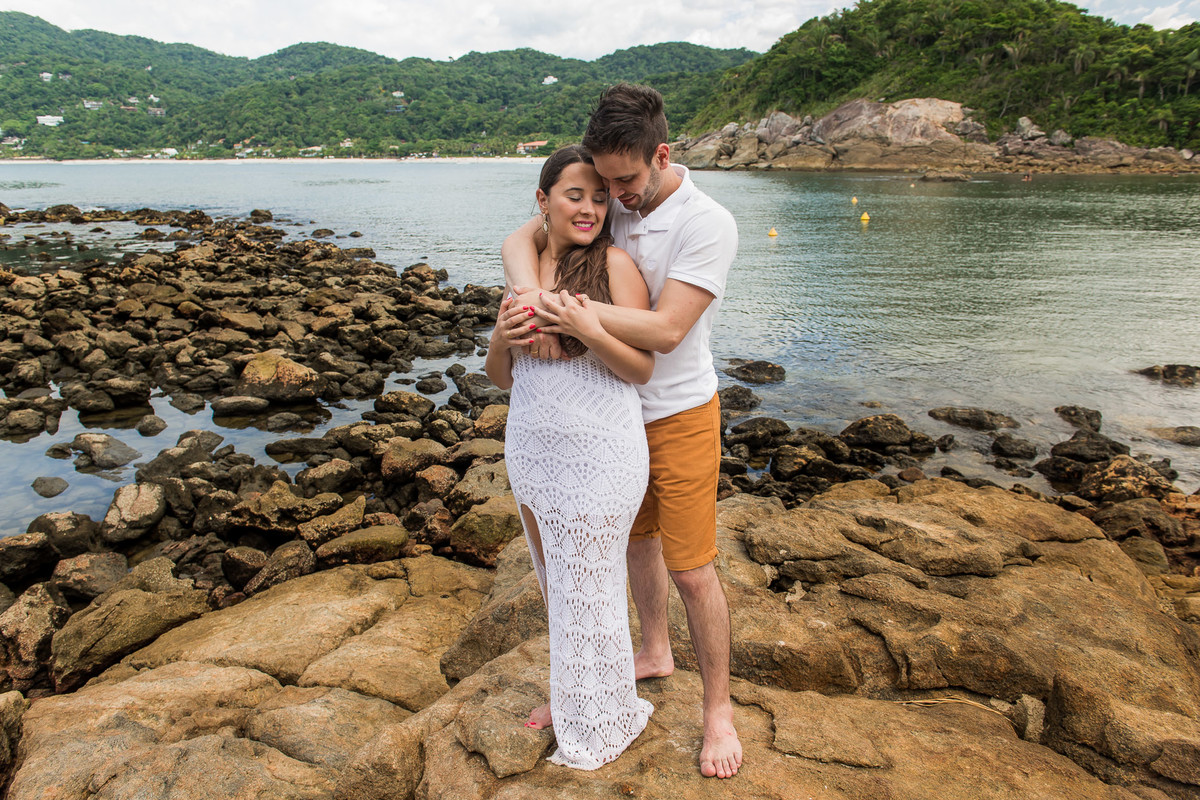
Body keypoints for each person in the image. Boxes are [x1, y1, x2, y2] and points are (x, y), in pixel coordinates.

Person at [497, 83, 742, 779]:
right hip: (609, 422)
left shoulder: (707, 223)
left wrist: (568, 312)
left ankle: (718, 712)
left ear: (660, 155)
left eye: (622, 183)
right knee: (634, 548)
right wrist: (526, 295)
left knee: (692, 567)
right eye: (599, 185)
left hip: (679, 411)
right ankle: (653, 652)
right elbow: (526, 233)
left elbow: (666, 330)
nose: (610, 199)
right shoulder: (606, 202)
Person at [485, 144, 655, 770]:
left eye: (599, 196)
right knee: (558, 582)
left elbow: (641, 368)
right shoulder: (522, 274)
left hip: (601, 448)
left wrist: (589, 330)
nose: (589, 208)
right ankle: (577, 694)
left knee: (594, 584)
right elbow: (502, 376)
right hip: (532, 445)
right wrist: (501, 339)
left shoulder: (614, 265)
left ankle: (605, 717)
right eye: (574, 195)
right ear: (543, 202)